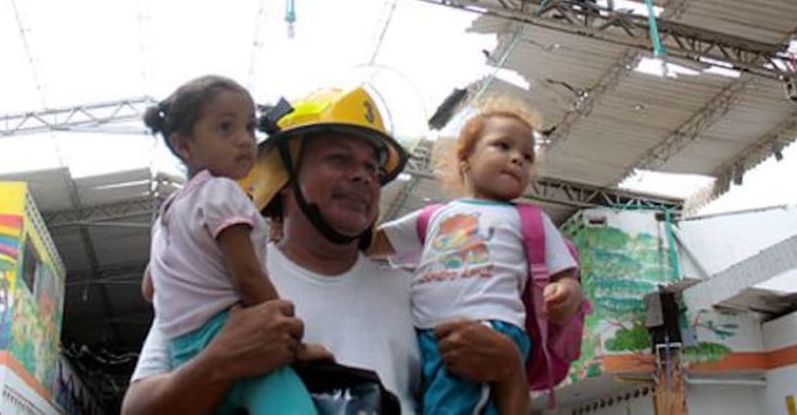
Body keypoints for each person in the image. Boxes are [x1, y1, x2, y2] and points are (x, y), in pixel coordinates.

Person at [123, 86, 527, 415]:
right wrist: (220, 362)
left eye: (372, 168)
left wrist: (510, 371)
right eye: (339, 158)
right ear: (283, 179)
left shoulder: (418, 292)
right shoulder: (215, 279)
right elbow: (137, 408)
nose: (363, 177)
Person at [369, 105, 585, 415]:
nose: (517, 159)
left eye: (527, 157)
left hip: (490, 326)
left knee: (453, 407)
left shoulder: (530, 218)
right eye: (503, 145)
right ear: (464, 159)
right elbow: (371, 243)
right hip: (426, 332)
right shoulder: (433, 217)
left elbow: (567, 275)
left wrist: (567, 293)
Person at [140, 75, 316, 415]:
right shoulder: (221, 192)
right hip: (239, 342)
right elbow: (248, 277)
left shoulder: (167, 215)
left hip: (184, 355)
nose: (243, 141)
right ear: (183, 145)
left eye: (249, 128)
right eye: (225, 128)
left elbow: (150, 290)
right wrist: (293, 338)